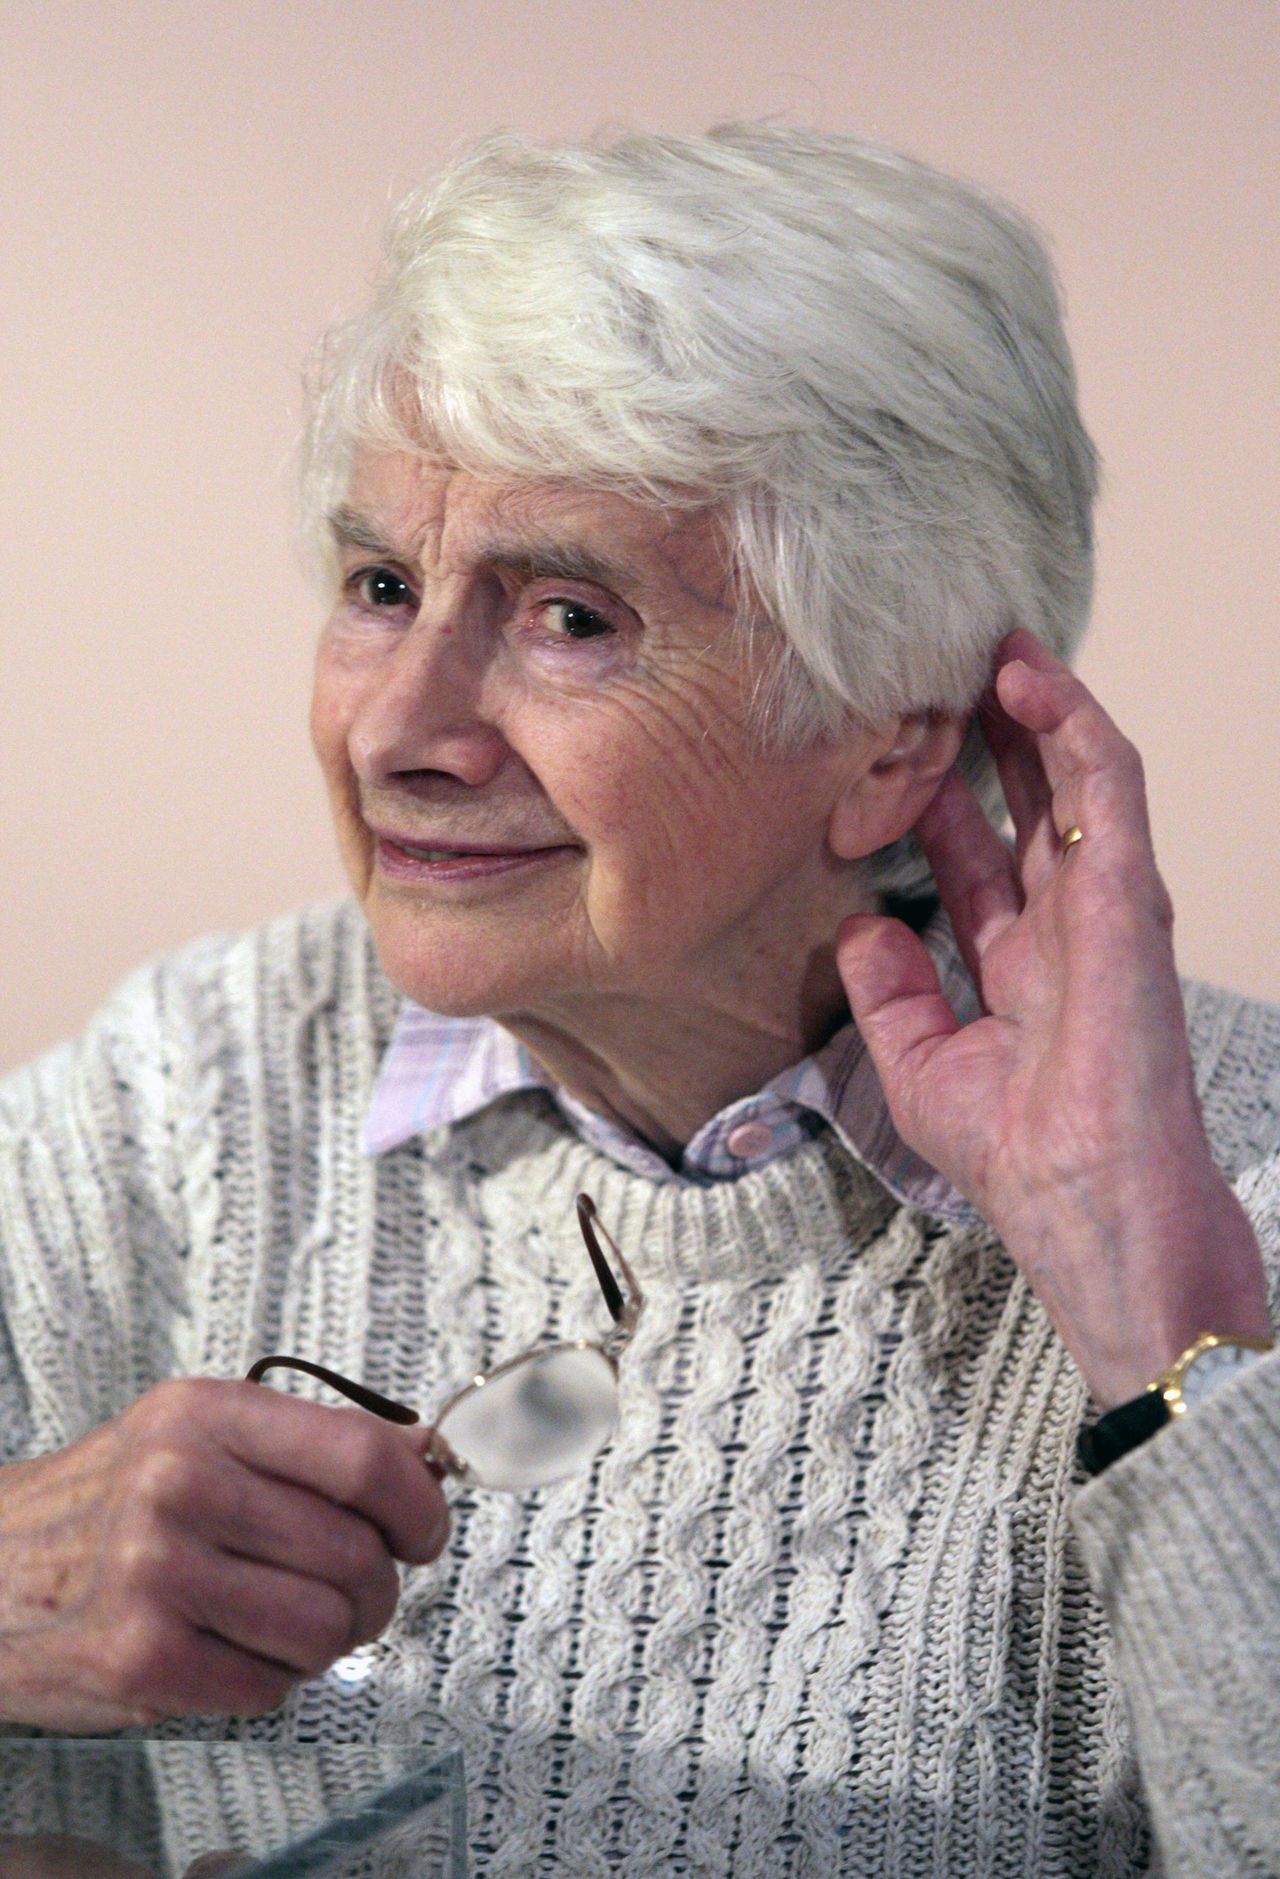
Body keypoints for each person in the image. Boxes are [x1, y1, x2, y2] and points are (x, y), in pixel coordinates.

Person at [1, 122, 1277, 1878]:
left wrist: (1158, 1326)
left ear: (892, 733)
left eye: (571, 619)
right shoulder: (182, 1097)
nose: (399, 732)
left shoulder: (1239, 1186)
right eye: (383, 587)